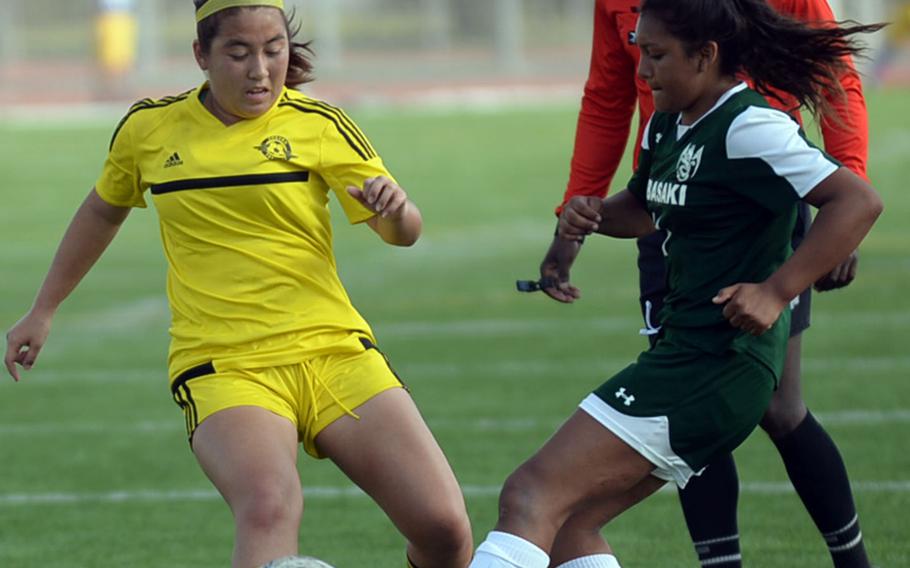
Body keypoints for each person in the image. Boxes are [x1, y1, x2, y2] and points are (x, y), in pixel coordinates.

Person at [3, 2, 473, 567]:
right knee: (268, 504)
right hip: (224, 365)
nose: (260, 70)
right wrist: (43, 308)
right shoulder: (149, 129)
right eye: (239, 52)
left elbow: (404, 233)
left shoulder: (319, 124)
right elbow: (103, 211)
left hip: (334, 352)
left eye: (274, 50)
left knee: (445, 529)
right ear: (201, 55)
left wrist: (396, 211)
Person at [472, 1, 884, 567]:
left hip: (718, 365)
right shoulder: (669, 122)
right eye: (640, 49)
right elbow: (644, 208)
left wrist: (775, 290)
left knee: (529, 496)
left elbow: (858, 201)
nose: (642, 70)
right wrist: (588, 214)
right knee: (570, 522)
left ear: (706, 55)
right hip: (687, 356)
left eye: (656, 55)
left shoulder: (752, 125)